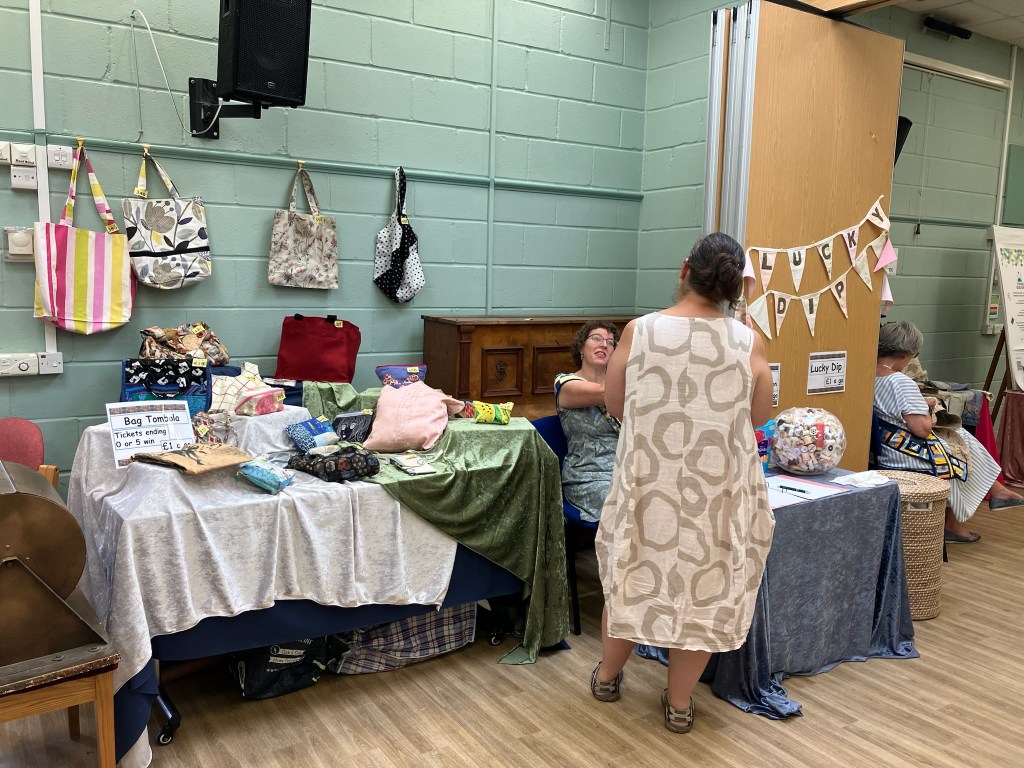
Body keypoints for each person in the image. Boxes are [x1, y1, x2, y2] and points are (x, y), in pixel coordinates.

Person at [589, 232, 774, 733]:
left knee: (631, 579)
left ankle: (606, 678)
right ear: (734, 287)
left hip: (649, 484)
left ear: (684, 270)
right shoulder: (747, 340)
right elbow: (759, 415)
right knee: (703, 593)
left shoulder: (641, 330)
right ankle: (678, 703)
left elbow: (615, 403)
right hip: (715, 493)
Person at [874, 321, 1024, 542]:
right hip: (903, 453)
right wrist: (929, 406)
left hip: (884, 445)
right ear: (907, 354)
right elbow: (921, 429)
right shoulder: (900, 381)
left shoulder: (868, 375)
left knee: (960, 437)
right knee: (960, 444)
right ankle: (961, 517)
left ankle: (995, 492)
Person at [553, 322, 621, 522]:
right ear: (581, 347)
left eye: (610, 342)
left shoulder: (625, 387)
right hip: (588, 477)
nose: (604, 345)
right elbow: (604, 393)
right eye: (596, 338)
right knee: (624, 504)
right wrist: (624, 363)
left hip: (626, 471)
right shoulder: (565, 383)